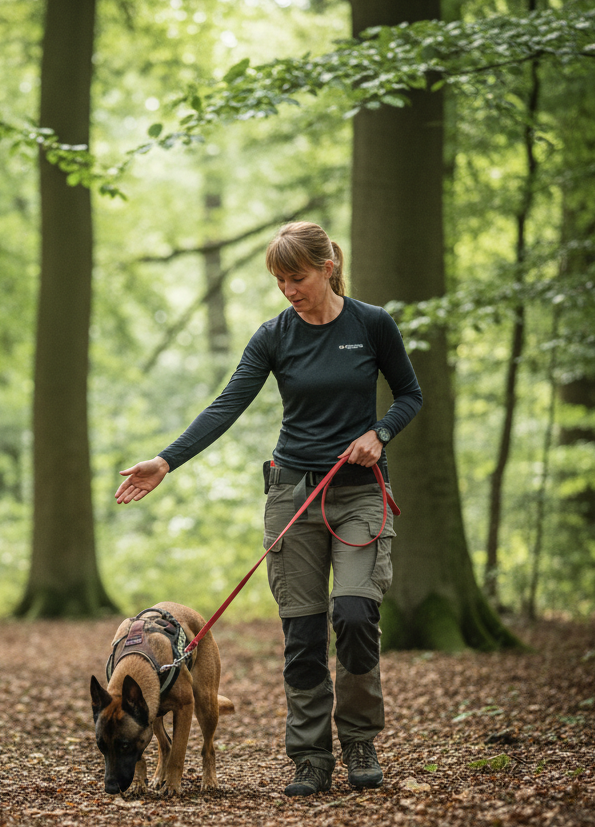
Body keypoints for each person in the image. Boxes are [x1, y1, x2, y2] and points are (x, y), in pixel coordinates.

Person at [115, 222, 423, 796]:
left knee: (355, 616)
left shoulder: (372, 325)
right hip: (292, 496)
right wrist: (166, 460)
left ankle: (358, 742)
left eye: (297, 277)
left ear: (328, 266)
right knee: (303, 633)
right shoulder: (274, 335)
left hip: (359, 492)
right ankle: (310, 756)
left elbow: (410, 394)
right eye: (279, 280)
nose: (288, 289)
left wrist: (380, 433)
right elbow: (227, 405)